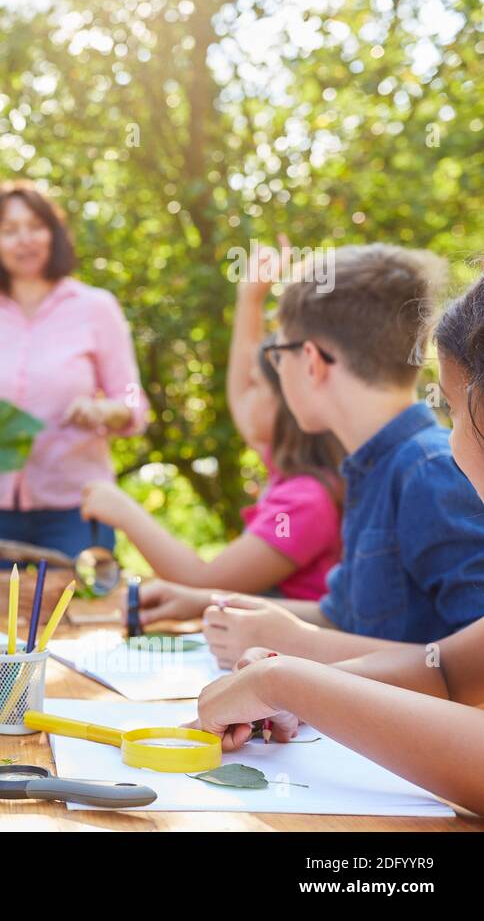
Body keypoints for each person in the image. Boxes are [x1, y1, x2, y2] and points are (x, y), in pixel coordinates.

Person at [191, 273, 484, 817]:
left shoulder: (422, 470)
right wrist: (280, 682)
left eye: (448, 409)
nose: (447, 441)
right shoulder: (373, 474)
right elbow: (446, 669)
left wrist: (289, 680)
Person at [140, 244, 484, 667]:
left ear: (310, 361)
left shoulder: (430, 472)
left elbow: (470, 667)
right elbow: (339, 617)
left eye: (275, 354)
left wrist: (301, 644)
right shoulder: (368, 469)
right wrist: (204, 602)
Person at [80, 239, 344, 598]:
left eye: (256, 386)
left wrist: (125, 513)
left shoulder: (306, 501)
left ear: (291, 401)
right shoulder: (293, 469)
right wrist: (250, 300)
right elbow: (239, 394)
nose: (241, 396)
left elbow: (205, 583)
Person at [0, 180, 149, 557]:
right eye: (10, 230)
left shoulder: (96, 309)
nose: (24, 240)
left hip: (78, 508)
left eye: (35, 226)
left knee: (82, 611)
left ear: (53, 233)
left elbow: (132, 399)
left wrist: (105, 411)